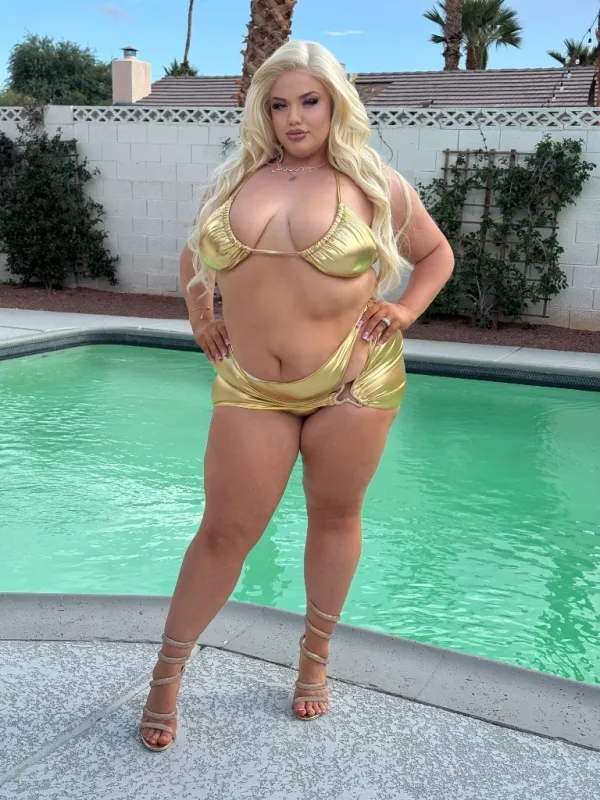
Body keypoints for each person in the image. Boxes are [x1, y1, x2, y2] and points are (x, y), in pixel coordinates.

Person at [140, 39, 454, 752]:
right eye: (279, 104)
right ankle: (166, 673)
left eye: (310, 101)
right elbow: (193, 255)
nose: (294, 117)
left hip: (355, 380)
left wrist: (404, 311)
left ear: (336, 103)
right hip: (252, 386)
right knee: (223, 532)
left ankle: (314, 659)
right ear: (263, 111)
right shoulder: (234, 184)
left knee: (334, 518)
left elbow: (437, 254)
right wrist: (201, 316)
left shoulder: (374, 184)